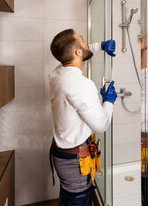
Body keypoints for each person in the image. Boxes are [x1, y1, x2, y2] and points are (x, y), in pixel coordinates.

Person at [48, 28, 117, 206]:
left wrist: (100, 46)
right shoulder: (81, 85)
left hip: (63, 154)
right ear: (78, 52)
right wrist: (108, 102)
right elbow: (101, 124)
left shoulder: (57, 73)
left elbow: (77, 52)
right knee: (77, 202)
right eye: (83, 40)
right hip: (73, 161)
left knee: (69, 199)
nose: (87, 42)